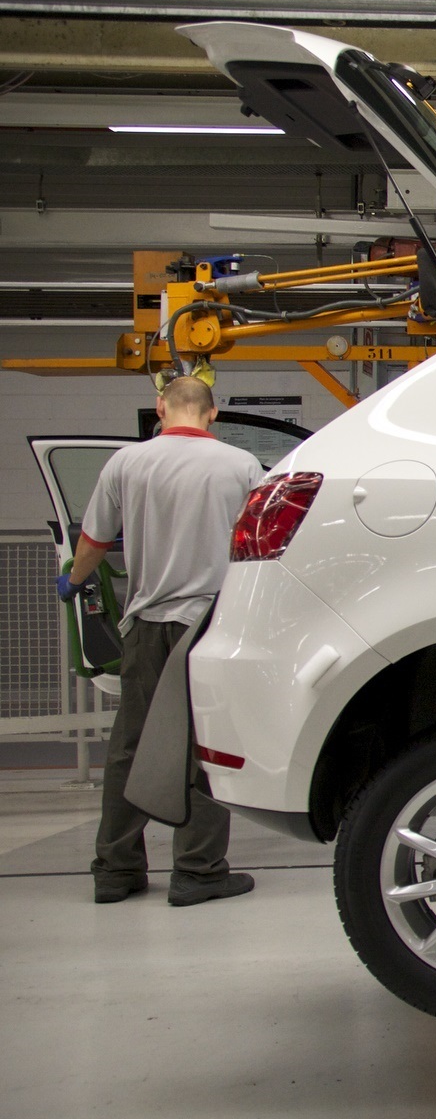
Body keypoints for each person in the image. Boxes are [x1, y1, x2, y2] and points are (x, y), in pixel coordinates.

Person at [63, 375, 265, 907]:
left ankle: (116, 869)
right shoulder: (242, 466)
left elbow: (93, 540)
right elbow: (263, 542)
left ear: (160, 407)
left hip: (146, 624)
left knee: (130, 746)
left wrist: (75, 580)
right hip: (211, 625)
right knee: (207, 746)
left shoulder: (126, 464)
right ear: (213, 413)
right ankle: (199, 871)